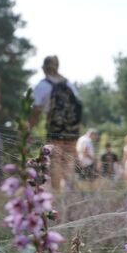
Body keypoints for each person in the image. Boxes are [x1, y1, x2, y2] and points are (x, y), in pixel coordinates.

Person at [30, 56, 83, 191]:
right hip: (72, 128)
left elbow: (36, 110)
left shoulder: (42, 85)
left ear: (44, 68)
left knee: (55, 159)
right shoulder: (68, 84)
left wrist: (29, 129)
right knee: (68, 160)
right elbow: (78, 105)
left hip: (56, 128)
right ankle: (70, 192)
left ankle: (57, 193)